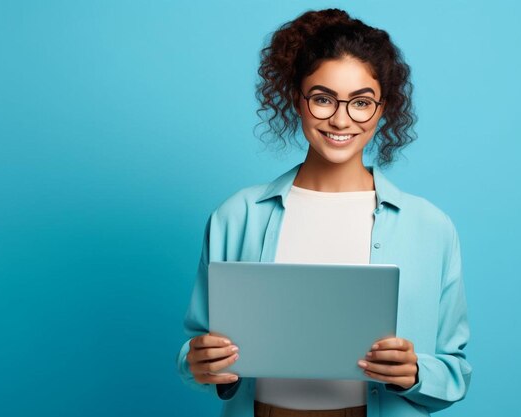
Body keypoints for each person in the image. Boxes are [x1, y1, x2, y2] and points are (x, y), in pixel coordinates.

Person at [175, 8, 471, 417]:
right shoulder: (236, 215)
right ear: (296, 98)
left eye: (361, 102)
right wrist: (201, 363)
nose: (340, 118)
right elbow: (195, 350)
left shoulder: (431, 227)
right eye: (322, 98)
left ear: (382, 109)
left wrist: (416, 371)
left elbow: (456, 371)